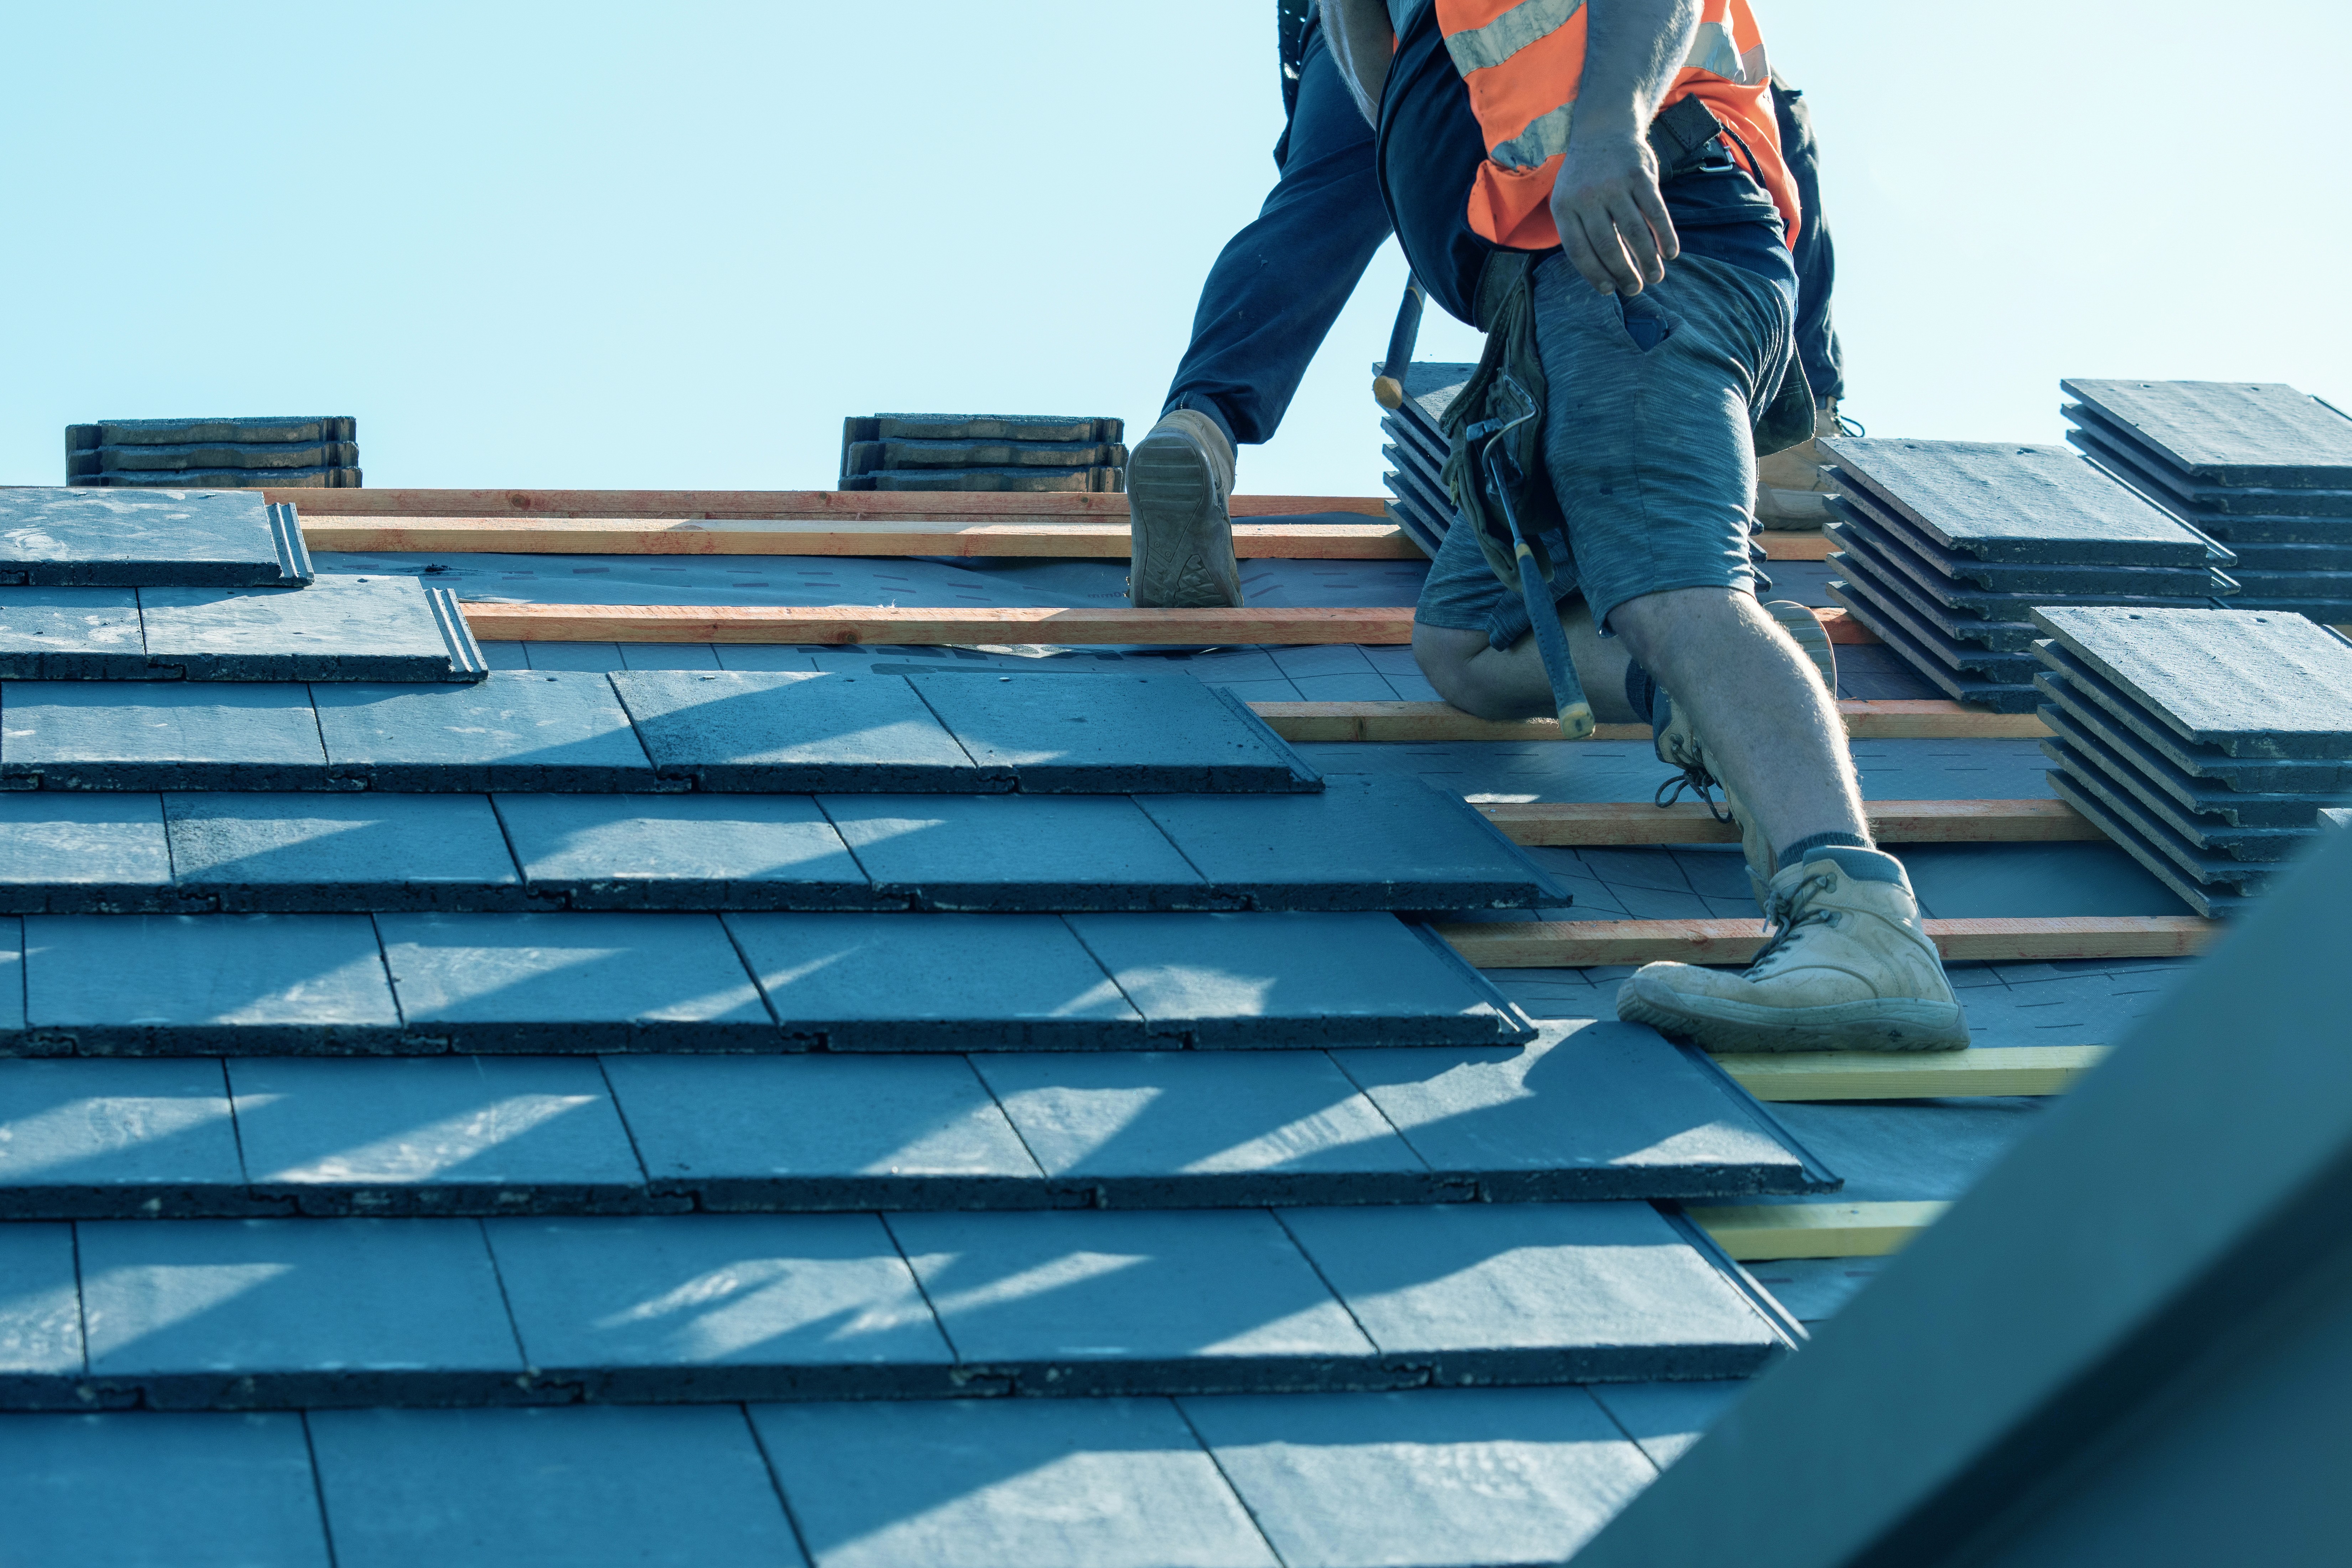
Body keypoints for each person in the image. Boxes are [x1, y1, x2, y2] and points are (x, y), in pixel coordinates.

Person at [1328, 0, 1967, 1056]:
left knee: (1672, 589)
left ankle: (1861, 924)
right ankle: (1703, 685)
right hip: (1545, 298)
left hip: (1639, 231)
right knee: (1469, 644)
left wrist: (1608, 128)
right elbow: (1392, 85)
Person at [1124, 2, 1852, 607]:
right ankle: (1805, 431)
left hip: (1380, 39)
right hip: (1524, 29)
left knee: (1316, 206)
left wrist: (1412, 161)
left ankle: (1201, 427)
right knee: (1764, 115)